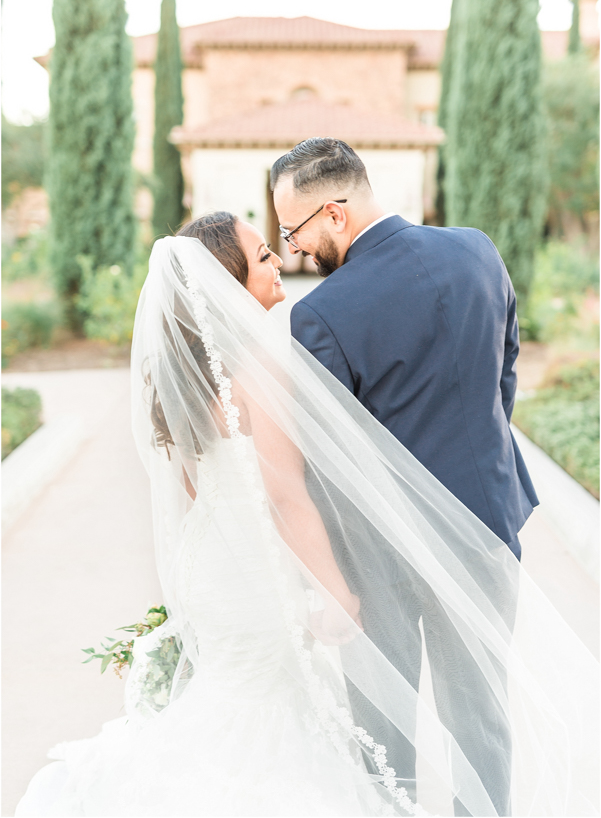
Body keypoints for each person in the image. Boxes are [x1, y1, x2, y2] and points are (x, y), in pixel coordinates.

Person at [15, 213, 597, 818]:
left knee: (234, 704)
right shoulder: (257, 370)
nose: (278, 264)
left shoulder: (181, 377)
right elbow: (287, 493)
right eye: (264, 256)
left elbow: (197, 488)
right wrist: (335, 588)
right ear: (227, 279)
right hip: (257, 576)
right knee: (268, 716)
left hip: (212, 567)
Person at [271, 137, 538, 815]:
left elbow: (330, 462)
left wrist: (331, 577)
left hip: (379, 552)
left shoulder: (321, 313)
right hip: (487, 523)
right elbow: (503, 371)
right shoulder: (475, 249)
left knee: (383, 726)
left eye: (293, 229)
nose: (294, 248)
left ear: (334, 213)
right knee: (480, 716)